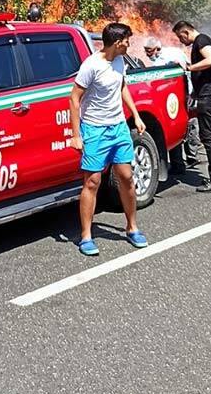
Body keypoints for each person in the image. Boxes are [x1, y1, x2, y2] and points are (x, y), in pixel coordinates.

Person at [70, 22, 149, 255]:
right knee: (92, 181)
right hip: (95, 130)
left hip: (118, 128)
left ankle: (132, 227)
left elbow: (121, 85)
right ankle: (86, 236)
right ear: (117, 42)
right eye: (127, 40)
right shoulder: (91, 65)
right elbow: (74, 99)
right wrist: (76, 135)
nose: (129, 44)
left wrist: (135, 115)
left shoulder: (119, 61)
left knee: (126, 177)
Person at [173, 20, 211, 193]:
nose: (181, 41)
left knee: (208, 137)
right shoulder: (202, 41)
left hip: (210, 96)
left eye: (180, 37)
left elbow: (210, 60)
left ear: (185, 32)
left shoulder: (201, 40)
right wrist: (195, 93)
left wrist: (189, 67)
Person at [143, 36, 200, 171]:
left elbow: (185, 69)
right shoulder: (162, 58)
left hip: (183, 95)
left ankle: (192, 157)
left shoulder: (170, 56)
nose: (147, 54)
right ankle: (178, 164)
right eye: (146, 51)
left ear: (157, 48)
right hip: (172, 98)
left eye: (149, 51)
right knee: (174, 125)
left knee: (189, 124)